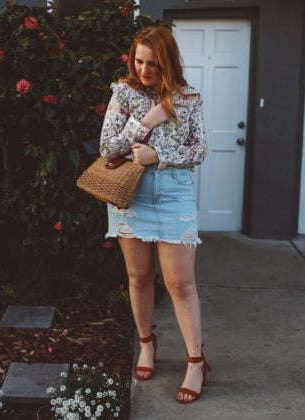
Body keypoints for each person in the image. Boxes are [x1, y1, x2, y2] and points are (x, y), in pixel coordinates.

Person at [99, 25, 210, 404]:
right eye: (139, 61)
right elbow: (107, 147)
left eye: (152, 63)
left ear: (168, 61)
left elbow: (199, 151)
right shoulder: (124, 93)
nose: (144, 69)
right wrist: (147, 121)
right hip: (130, 196)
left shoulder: (189, 98)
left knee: (180, 283)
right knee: (139, 276)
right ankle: (147, 343)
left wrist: (161, 157)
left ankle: (196, 361)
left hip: (174, 196)